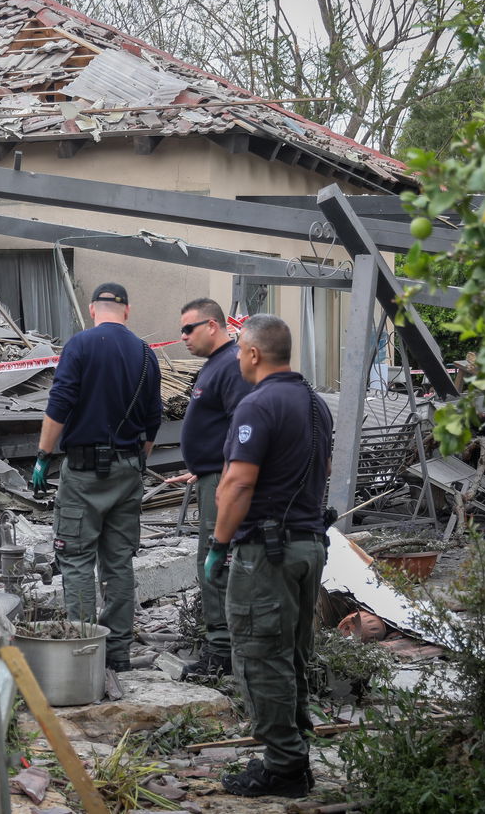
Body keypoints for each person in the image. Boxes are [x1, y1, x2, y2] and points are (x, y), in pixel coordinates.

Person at [204, 314, 333, 798]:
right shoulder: (316, 405)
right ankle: (294, 750)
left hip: (267, 552)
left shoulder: (257, 404)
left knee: (261, 655)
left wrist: (219, 544)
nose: (236, 358)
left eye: (239, 350)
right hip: (307, 545)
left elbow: (238, 481)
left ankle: (284, 768)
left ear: (254, 354)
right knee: (293, 653)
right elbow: (320, 470)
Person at [30, 283, 162, 672]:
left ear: (91, 310)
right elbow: (154, 419)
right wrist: (138, 461)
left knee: (75, 559)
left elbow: (60, 403)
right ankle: (118, 652)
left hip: (84, 471)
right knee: (119, 561)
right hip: (127, 469)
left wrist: (42, 456)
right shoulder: (145, 354)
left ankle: (84, 654)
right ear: (128, 311)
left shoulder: (80, 345)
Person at [167, 298, 253, 680]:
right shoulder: (214, 366)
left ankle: (221, 654)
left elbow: (246, 427)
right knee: (214, 562)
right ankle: (224, 646)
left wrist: (221, 472)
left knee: (214, 562)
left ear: (213, 326)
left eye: (189, 328)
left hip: (224, 482)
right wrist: (202, 469)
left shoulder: (231, 367)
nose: (183, 336)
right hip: (212, 476)